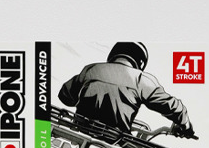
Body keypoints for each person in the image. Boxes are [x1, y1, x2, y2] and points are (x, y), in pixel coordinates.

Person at [58, 42, 197, 138]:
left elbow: (65, 96)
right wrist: (185, 125)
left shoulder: (91, 69)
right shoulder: (141, 79)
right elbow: (174, 107)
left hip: (78, 133)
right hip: (114, 139)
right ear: (141, 62)